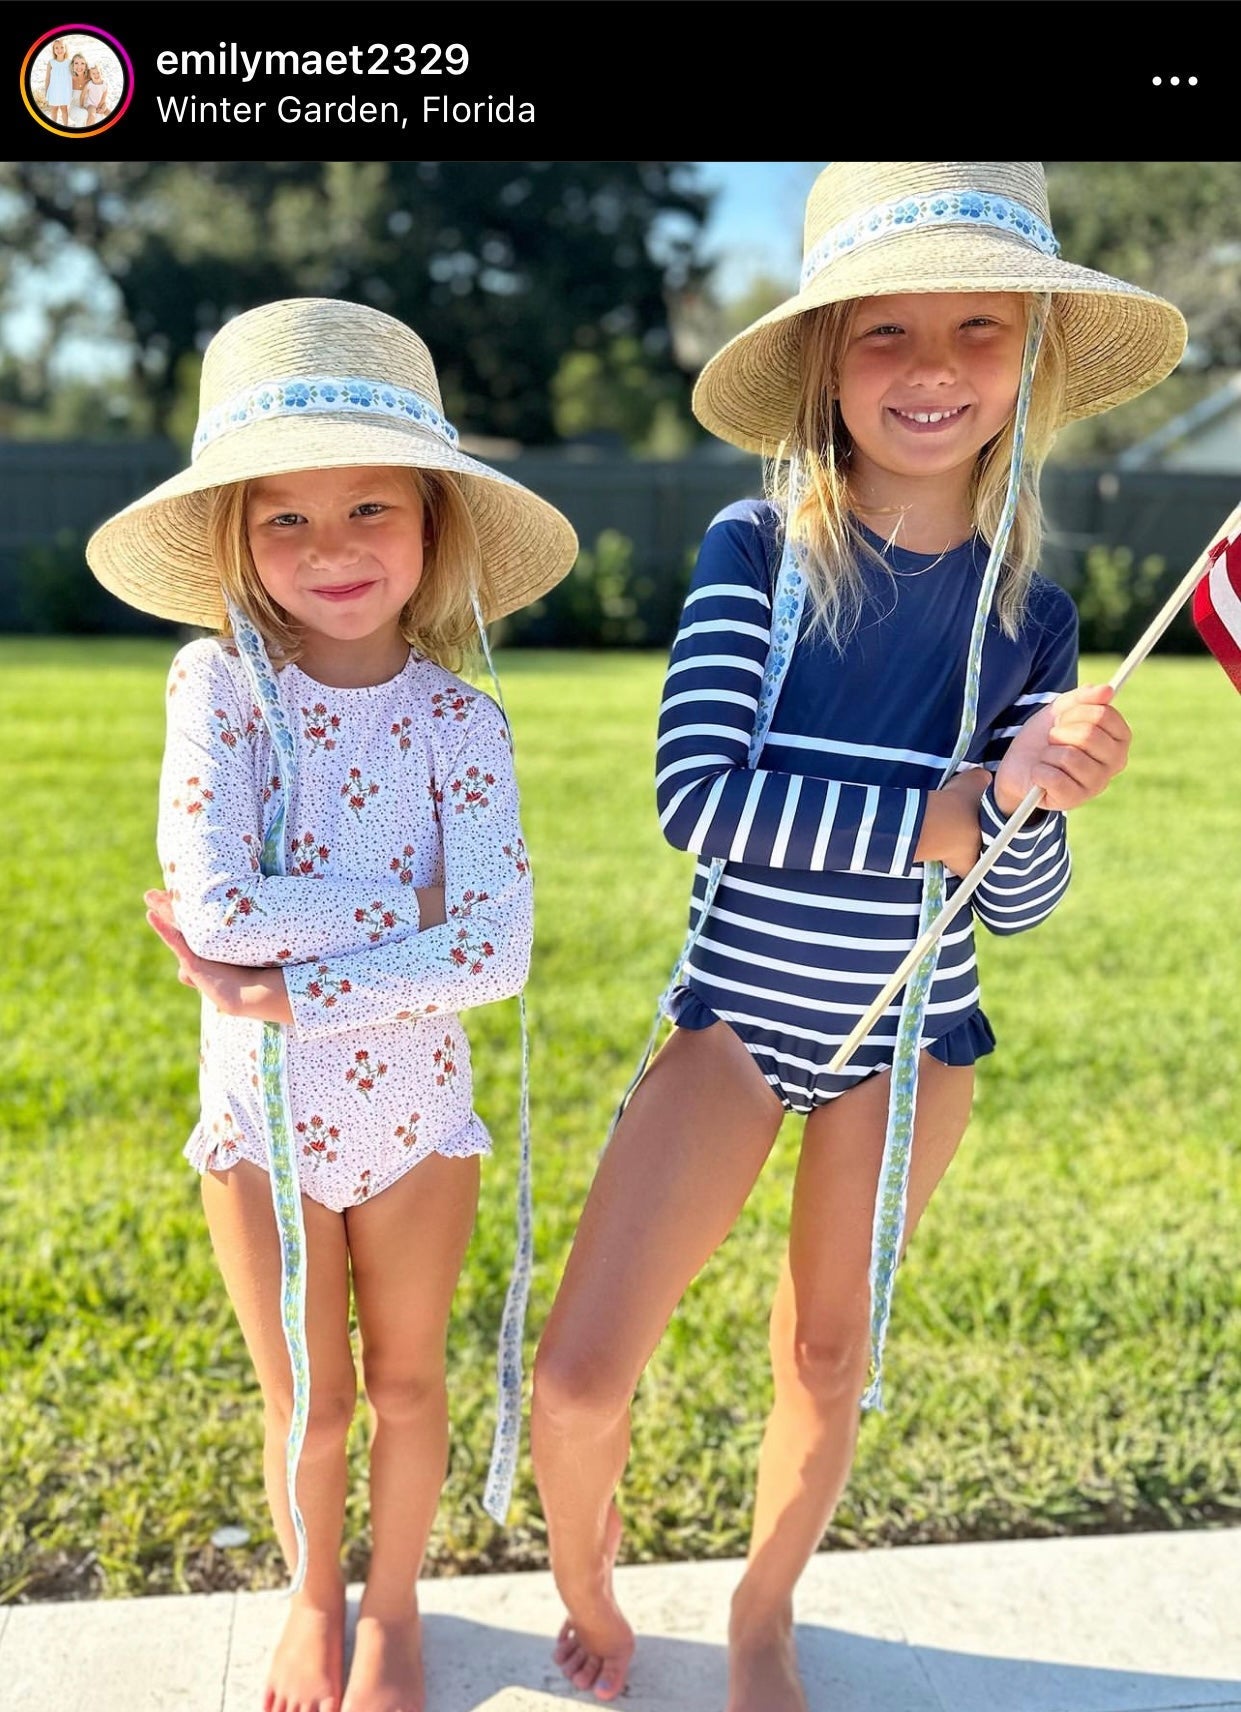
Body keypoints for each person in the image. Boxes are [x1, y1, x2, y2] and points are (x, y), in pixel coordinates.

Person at [530, 161, 1187, 1710]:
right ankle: (585, 1577)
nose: (932, 366)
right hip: (740, 1018)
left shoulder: (1029, 611)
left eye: (977, 327)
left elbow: (1009, 903)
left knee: (827, 1359)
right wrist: (946, 809)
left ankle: (763, 1613)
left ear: (1029, 355)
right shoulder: (754, 550)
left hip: (911, 1039)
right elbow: (697, 797)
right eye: (885, 329)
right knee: (578, 1378)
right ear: (824, 356)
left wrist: (1036, 806)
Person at [85, 297, 577, 1712]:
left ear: (431, 521)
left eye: (370, 505)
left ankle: (395, 1608)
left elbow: (500, 951)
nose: (331, 545)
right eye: (283, 516)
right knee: (308, 1399)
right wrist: (410, 906)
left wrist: (295, 992)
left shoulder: (460, 722)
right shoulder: (218, 688)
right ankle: (313, 1594)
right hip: (260, 1125)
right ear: (235, 535)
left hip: (417, 1119)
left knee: (409, 1387)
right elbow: (214, 908)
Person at [41, 38, 72, 124]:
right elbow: (47, 78)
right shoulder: (51, 62)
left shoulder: (69, 62)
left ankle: (65, 126)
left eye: (62, 47)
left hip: (64, 91)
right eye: (56, 48)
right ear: (53, 50)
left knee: (64, 109)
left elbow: (74, 76)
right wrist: (46, 90)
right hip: (53, 90)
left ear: (65, 48)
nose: (59, 50)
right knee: (54, 110)